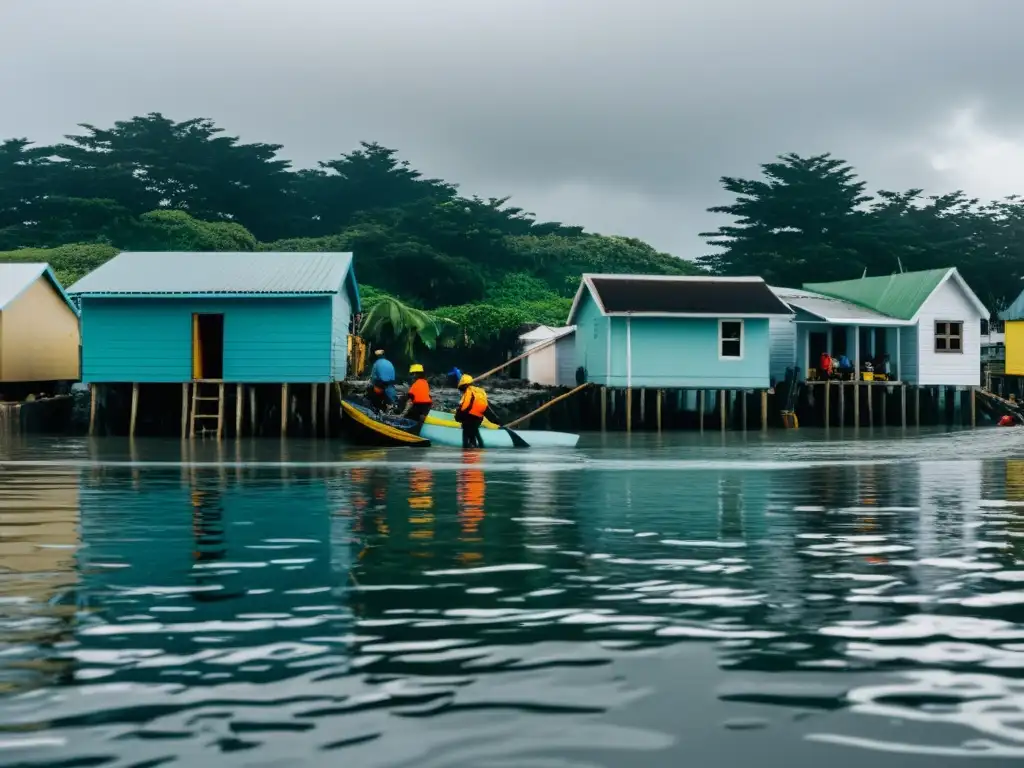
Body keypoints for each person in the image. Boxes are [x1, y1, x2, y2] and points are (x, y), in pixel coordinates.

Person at [456, 374, 488, 449]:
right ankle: (480, 447)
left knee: (466, 433)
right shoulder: (480, 391)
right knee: (475, 432)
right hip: (479, 417)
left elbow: (464, 406)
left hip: (469, 417)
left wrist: (458, 417)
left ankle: (467, 449)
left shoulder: (468, 391)